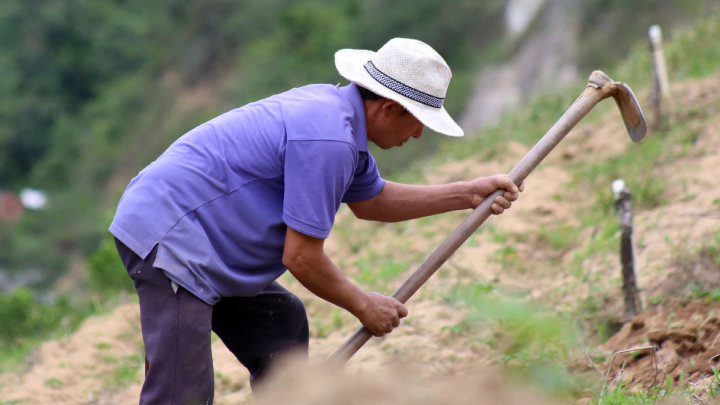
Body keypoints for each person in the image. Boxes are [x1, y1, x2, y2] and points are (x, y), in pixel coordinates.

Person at [110, 37, 524, 404]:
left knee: (281, 325)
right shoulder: (329, 140)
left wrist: (467, 194)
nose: (417, 134)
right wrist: (364, 305)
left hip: (206, 241)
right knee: (181, 392)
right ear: (389, 108)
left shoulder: (340, 124)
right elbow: (302, 258)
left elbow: (372, 201)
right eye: (418, 121)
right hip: (171, 237)